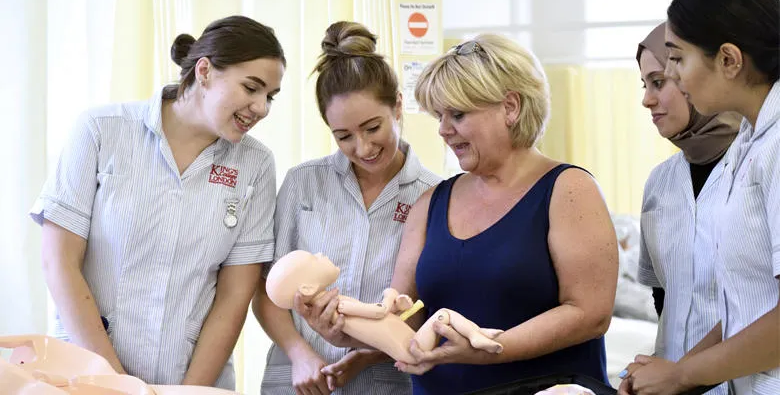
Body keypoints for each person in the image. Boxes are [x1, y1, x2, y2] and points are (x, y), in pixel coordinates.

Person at [29, 15, 286, 389]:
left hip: (192, 380)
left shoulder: (255, 165)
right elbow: (59, 262)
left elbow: (234, 296)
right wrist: (117, 384)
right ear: (204, 71)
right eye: (251, 88)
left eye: (270, 97)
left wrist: (187, 390)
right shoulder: (101, 130)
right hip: (86, 375)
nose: (261, 108)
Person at [388, 34, 618, 394]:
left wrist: (488, 350)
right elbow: (406, 311)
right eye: (440, 116)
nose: (444, 130)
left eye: (458, 114)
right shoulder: (430, 201)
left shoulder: (569, 189)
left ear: (510, 107)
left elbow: (590, 313)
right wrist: (354, 325)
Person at [251, 21, 440, 395]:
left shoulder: (434, 195)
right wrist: (300, 354)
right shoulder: (303, 183)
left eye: (373, 128)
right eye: (344, 136)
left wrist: (368, 353)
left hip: (387, 385)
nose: (363, 147)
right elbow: (266, 289)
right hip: (297, 381)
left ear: (398, 106)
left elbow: (426, 308)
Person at [620, 0, 780, 395]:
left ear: (728, 60)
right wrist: (674, 375)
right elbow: (746, 309)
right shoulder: (752, 142)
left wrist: (682, 374)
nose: (676, 78)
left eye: (678, 59)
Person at [626, 22, 741, 395]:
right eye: (645, 85)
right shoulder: (659, 183)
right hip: (670, 380)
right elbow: (663, 294)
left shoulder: (759, 164)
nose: (647, 99)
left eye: (658, 82)